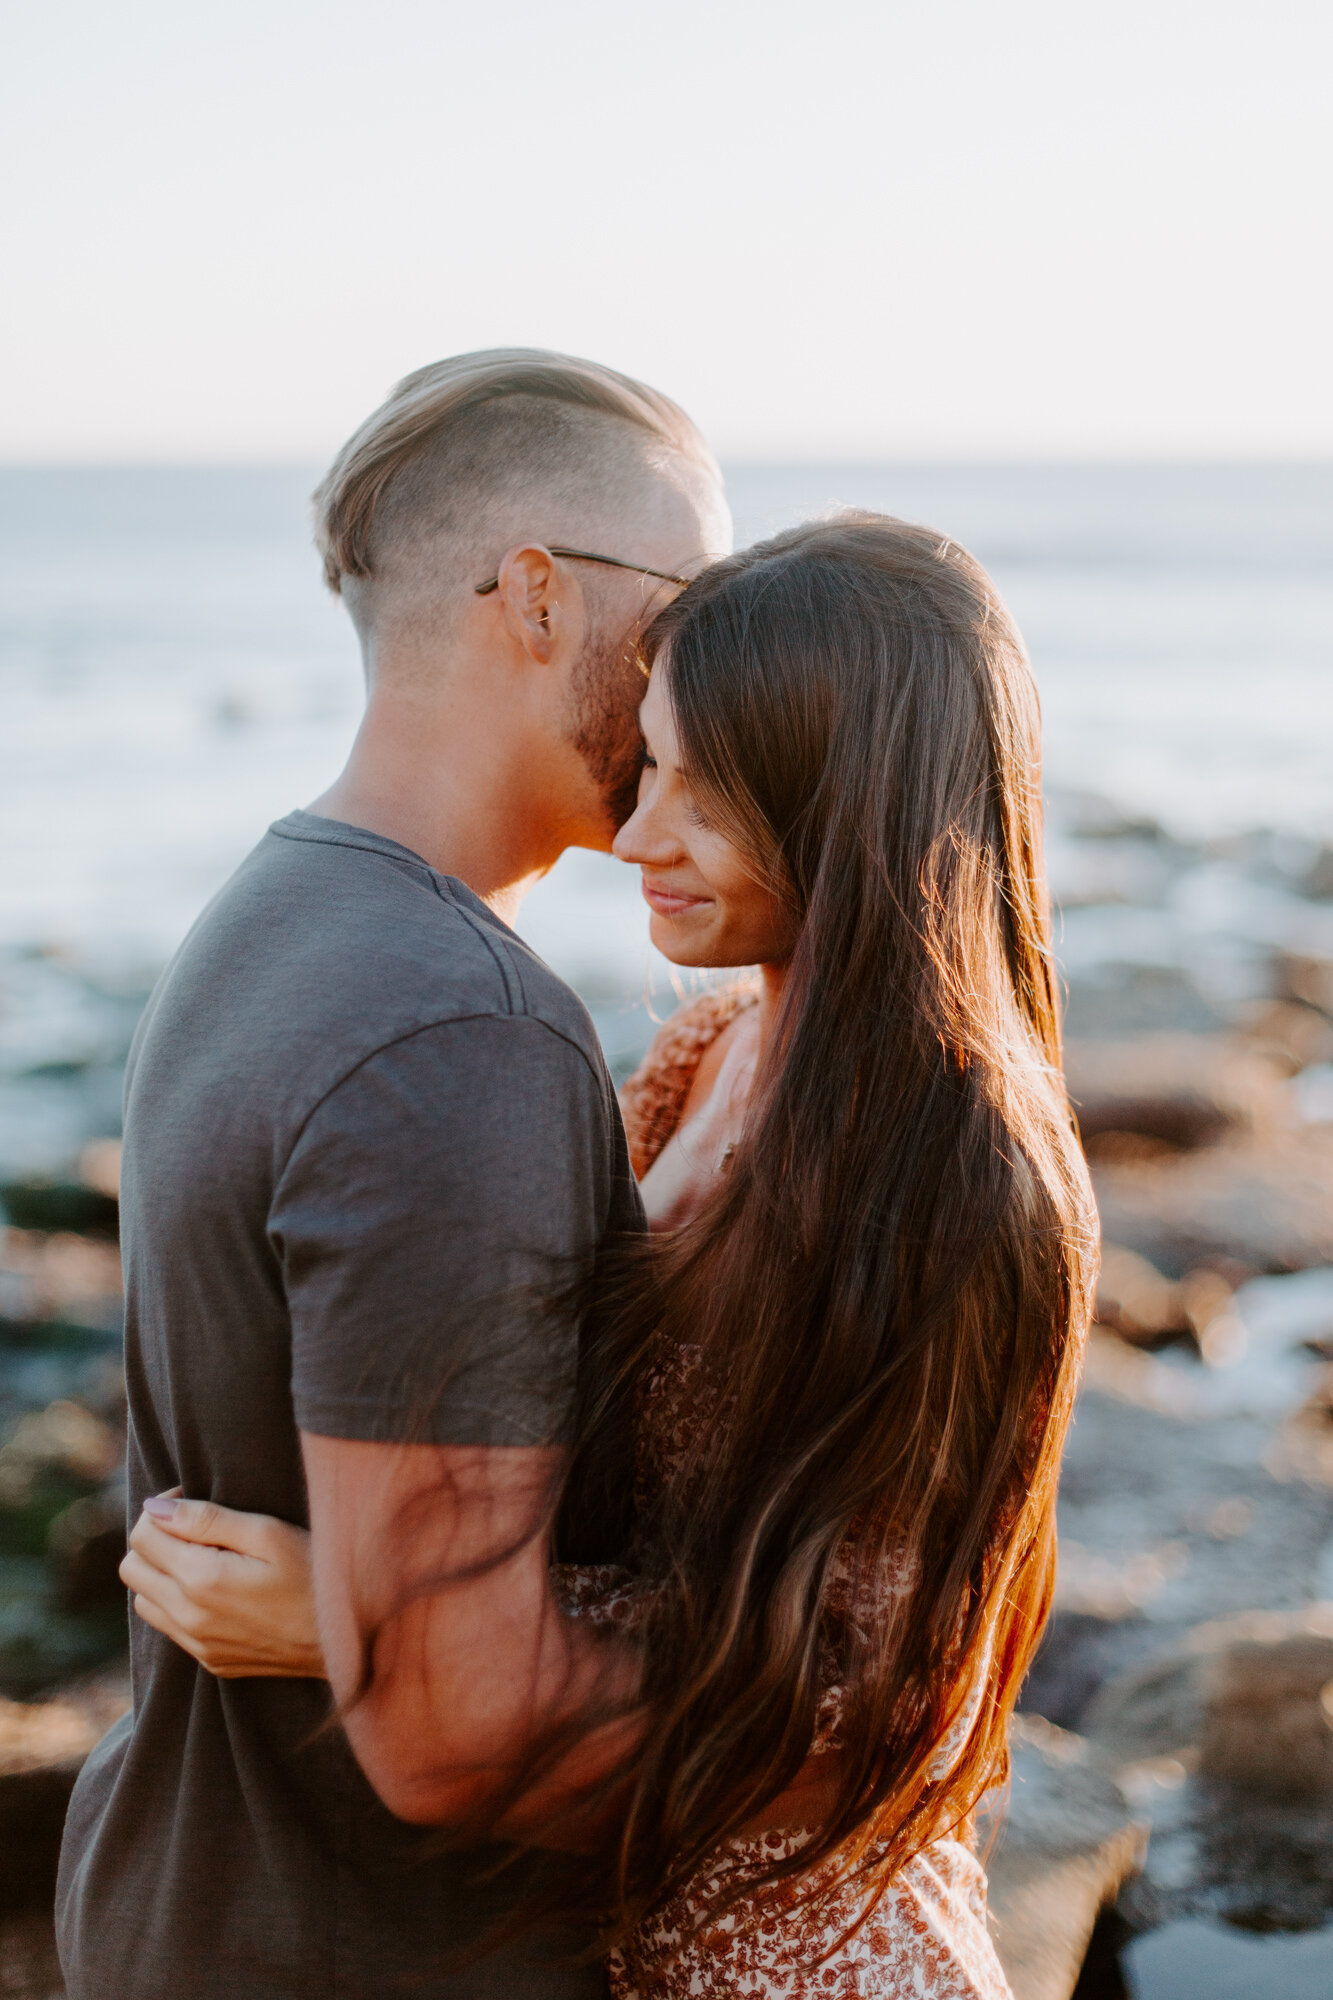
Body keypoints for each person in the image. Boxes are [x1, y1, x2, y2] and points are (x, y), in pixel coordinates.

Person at [123, 516, 1099, 1997]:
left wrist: (366, 1632)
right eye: (649, 764)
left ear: (849, 801)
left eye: (710, 793)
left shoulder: (966, 1183)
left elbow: (875, 1727)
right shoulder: (710, 1046)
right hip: (616, 1915)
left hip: (813, 1956)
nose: (640, 833)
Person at [56, 348, 731, 2000]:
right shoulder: (459, 1028)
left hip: (201, 1895)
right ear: (537, 594)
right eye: (688, 610)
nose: (710, 669)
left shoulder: (273, 913)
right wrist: (864, 1775)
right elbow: (450, 1725)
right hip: (374, 1949)